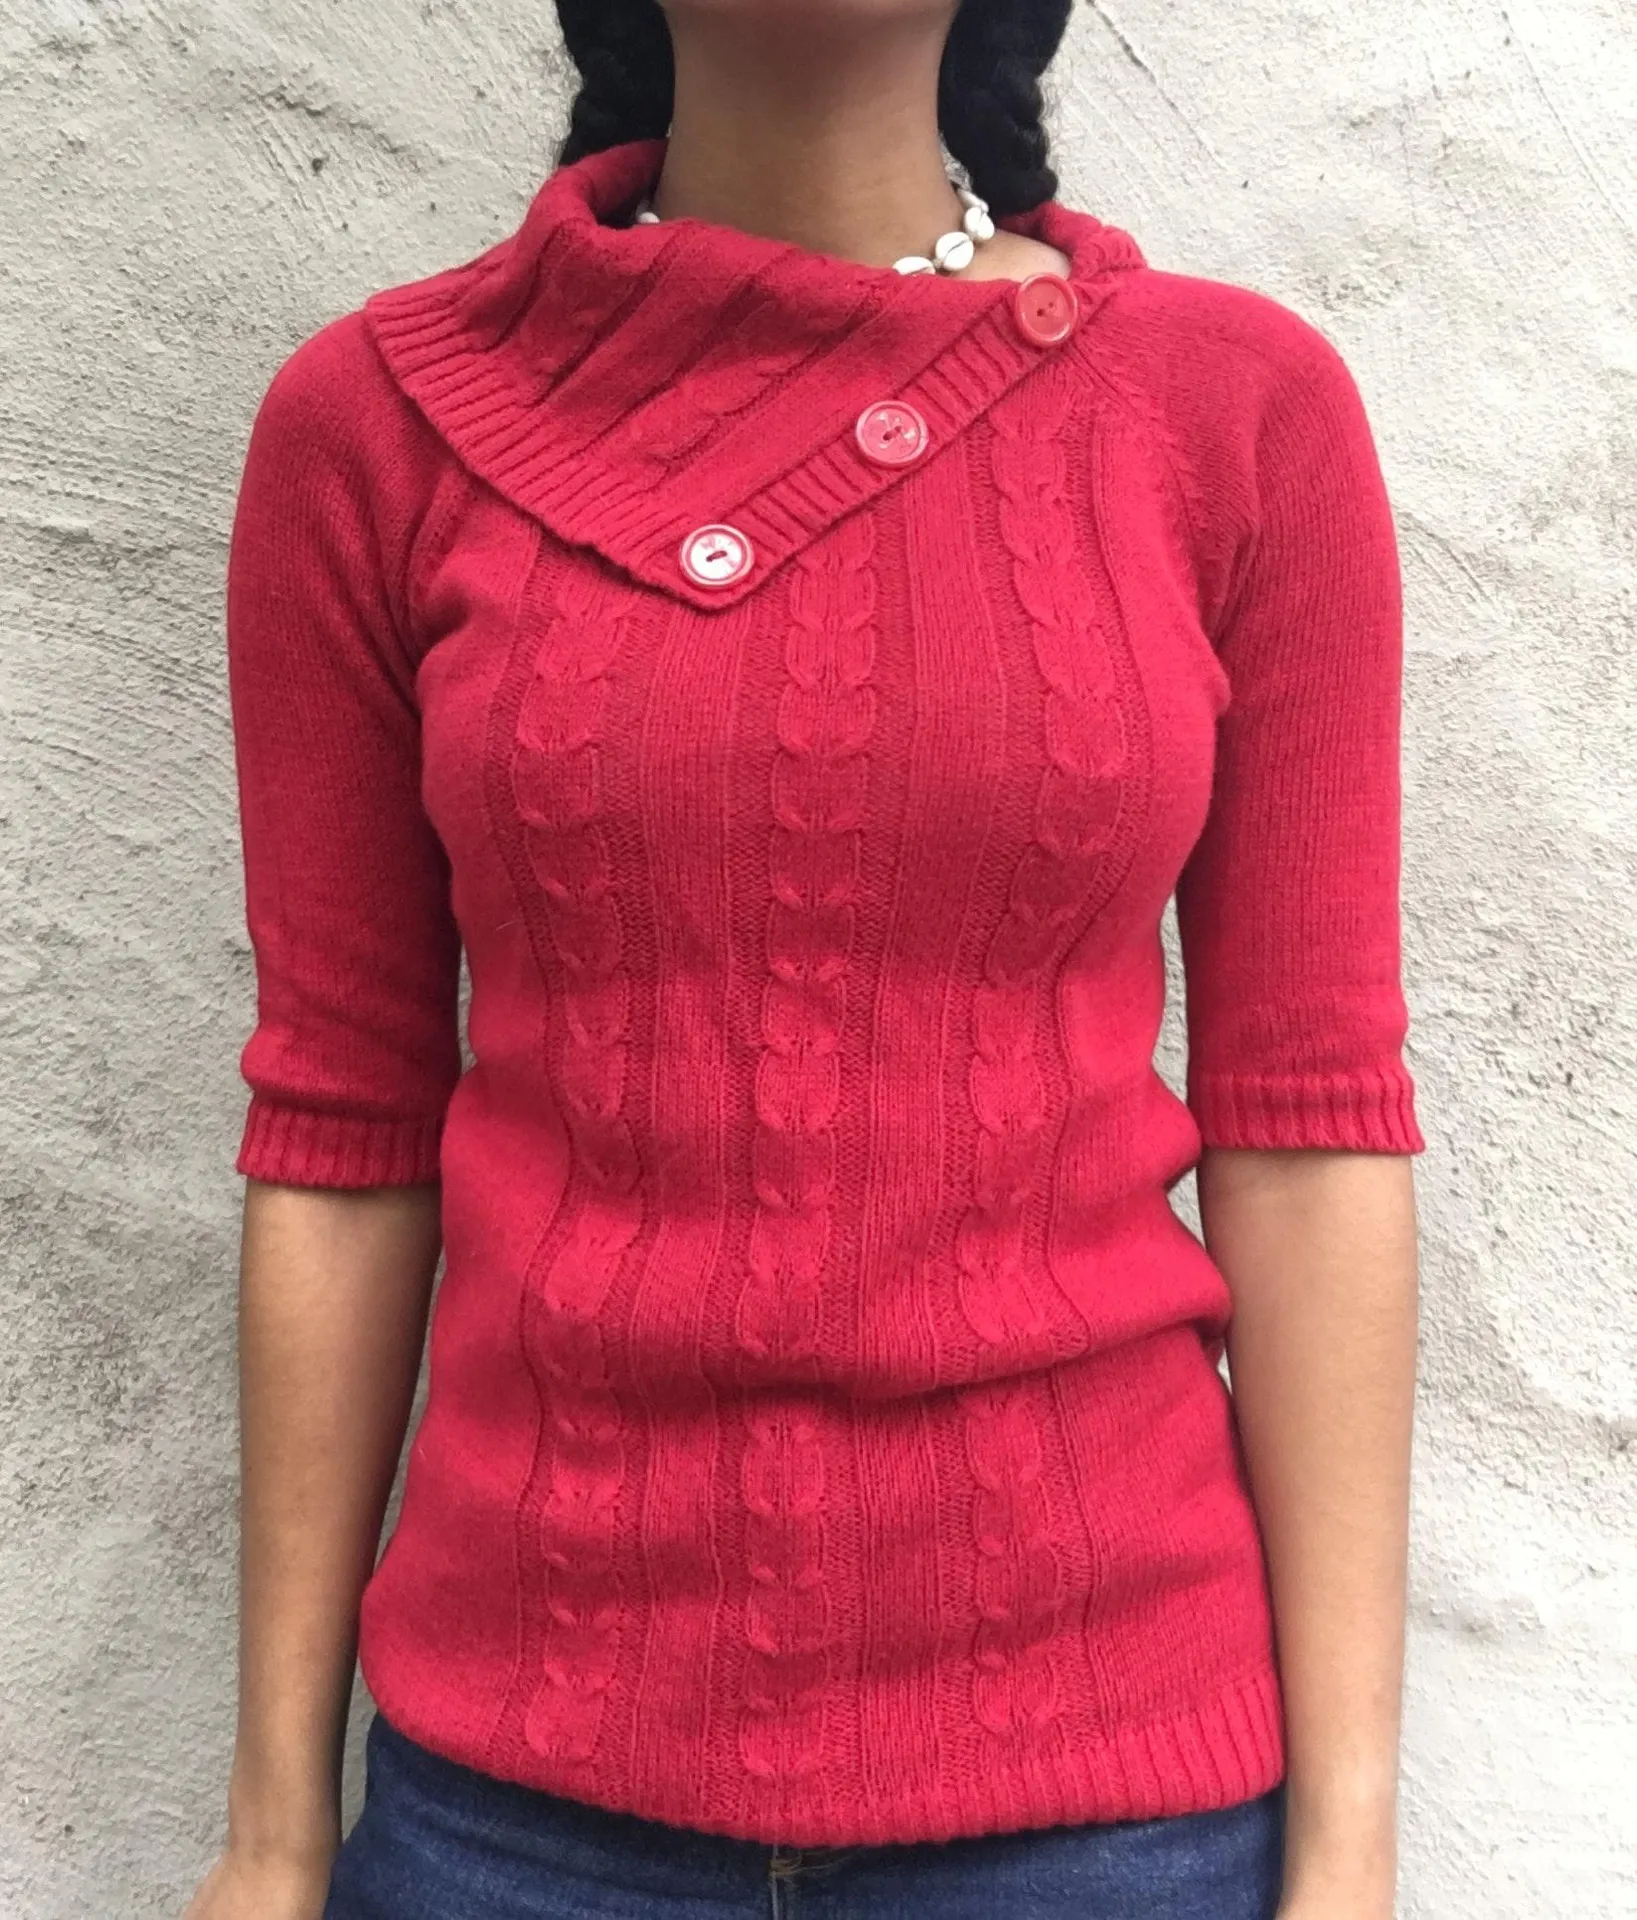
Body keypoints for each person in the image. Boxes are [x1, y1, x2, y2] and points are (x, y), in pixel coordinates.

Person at [184, 1, 1427, 1915]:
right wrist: (273, 1837)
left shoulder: (1231, 409)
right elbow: (345, 1137)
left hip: (1107, 1816)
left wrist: (1350, 1855)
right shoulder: (376, 427)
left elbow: (1310, 1134)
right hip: (514, 1816)